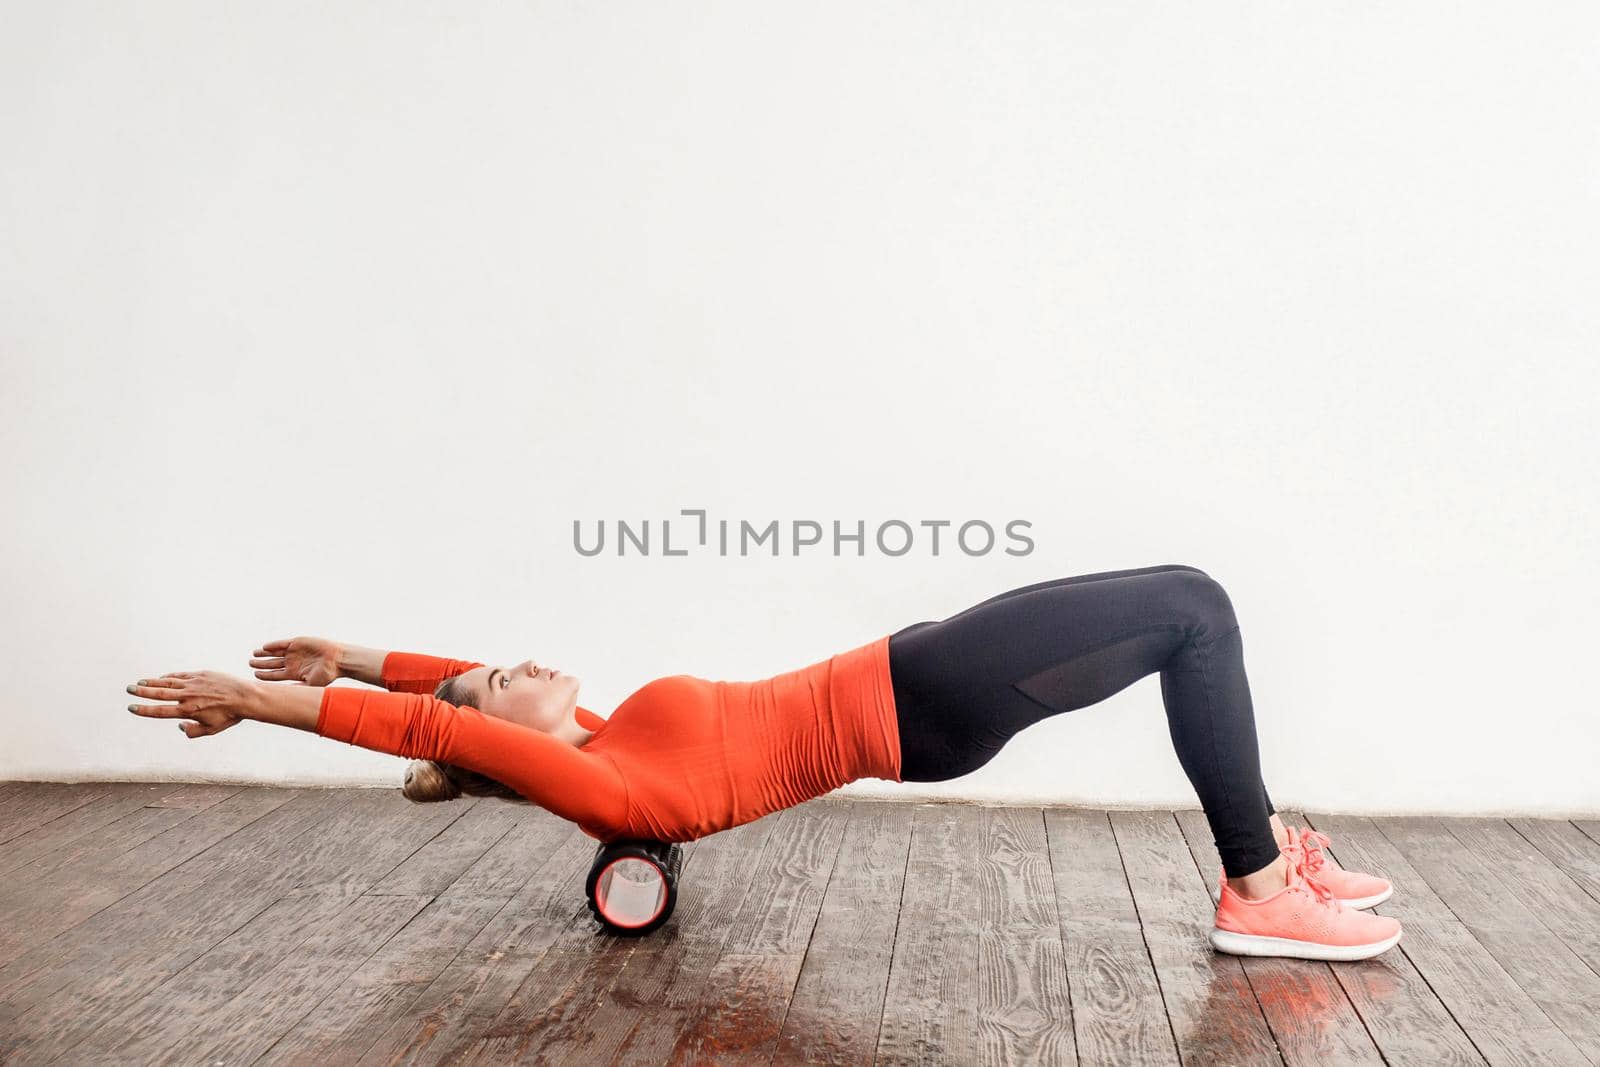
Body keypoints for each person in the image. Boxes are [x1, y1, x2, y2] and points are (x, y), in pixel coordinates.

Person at [125, 563, 1401, 961]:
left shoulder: (606, 737)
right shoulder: (603, 784)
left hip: (913, 671)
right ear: (502, 739)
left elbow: (446, 698)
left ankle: (1261, 858)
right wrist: (260, 702)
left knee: (1186, 612)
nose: (508, 661)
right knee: (1194, 606)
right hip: (923, 701)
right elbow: (438, 727)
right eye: (495, 682)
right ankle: (1254, 882)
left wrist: (350, 650)